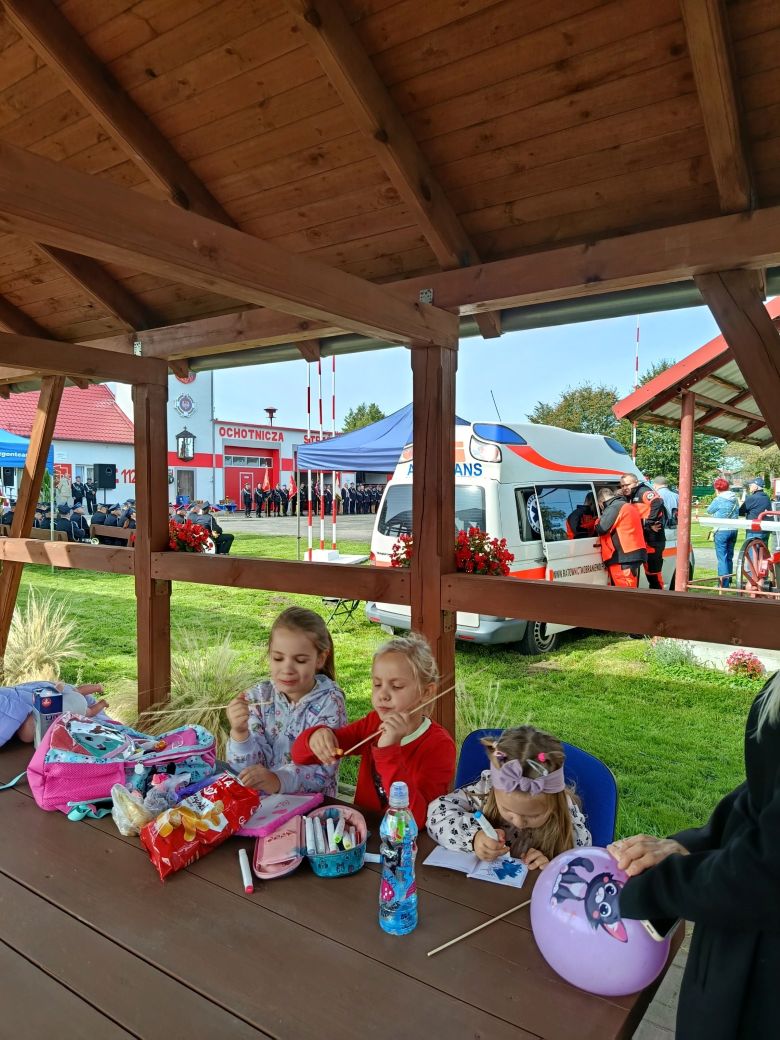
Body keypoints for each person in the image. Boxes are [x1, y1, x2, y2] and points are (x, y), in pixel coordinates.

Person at [611, 671, 780, 1040]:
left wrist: (652, 890)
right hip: (732, 955)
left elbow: (767, 874)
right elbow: (760, 791)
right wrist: (697, 843)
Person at [292, 633, 456, 826]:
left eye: (396, 686)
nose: (383, 694)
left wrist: (388, 752)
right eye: (377, 684)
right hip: (364, 829)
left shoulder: (439, 746)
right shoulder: (373, 723)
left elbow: (417, 821)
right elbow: (300, 756)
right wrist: (315, 737)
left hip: (407, 840)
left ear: (426, 692)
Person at [427, 725, 591, 870]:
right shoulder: (485, 791)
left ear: (554, 804)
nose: (518, 822)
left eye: (533, 815)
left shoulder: (569, 825)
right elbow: (437, 813)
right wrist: (474, 837)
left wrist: (554, 868)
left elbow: (585, 869)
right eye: (507, 810)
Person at [225, 607, 347, 795]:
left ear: (320, 659)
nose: (287, 669)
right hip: (262, 804)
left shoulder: (330, 703)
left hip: (311, 807)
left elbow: (323, 770)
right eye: (278, 658)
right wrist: (240, 734)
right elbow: (245, 772)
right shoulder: (258, 697)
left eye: (300, 660)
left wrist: (277, 780)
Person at [1, 680, 109, 749]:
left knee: (90, 712)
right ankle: (97, 688)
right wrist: (57, 689)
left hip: (74, 708)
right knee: (78, 692)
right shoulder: (43, 708)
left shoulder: (30, 733)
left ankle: (102, 703)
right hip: (69, 699)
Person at [619, 472, 666, 589]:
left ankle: (659, 596)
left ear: (636, 483)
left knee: (653, 574)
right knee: (648, 573)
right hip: (642, 539)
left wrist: (649, 522)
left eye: (627, 485)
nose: (624, 488)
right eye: (622, 485)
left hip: (653, 539)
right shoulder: (629, 496)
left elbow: (658, 502)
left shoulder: (643, 491)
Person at [595, 486, 647, 588]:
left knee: (625, 591)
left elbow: (601, 528)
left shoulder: (614, 507)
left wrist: (597, 520)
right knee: (629, 588)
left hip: (623, 557)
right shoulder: (627, 505)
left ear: (600, 502)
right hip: (632, 553)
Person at [707, 477, 740, 589]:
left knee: (722, 558)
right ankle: (729, 581)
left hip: (721, 530)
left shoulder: (719, 499)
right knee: (729, 557)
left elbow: (709, 510)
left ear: (717, 488)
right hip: (734, 529)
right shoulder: (734, 498)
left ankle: (723, 584)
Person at [739, 477, 772, 545]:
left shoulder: (752, 498)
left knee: (752, 551)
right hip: (766, 530)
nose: (749, 487)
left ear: (756, 487)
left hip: (754, 530)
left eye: (751, 485)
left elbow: (740, 512)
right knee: (763, 551)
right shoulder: (766, 497)